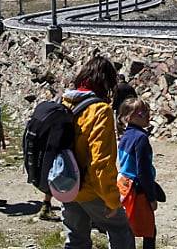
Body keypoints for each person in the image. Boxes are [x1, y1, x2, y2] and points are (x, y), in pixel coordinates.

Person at [61, 56, 135, 249]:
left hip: (66, 186)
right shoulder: (100, 111)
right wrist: (112, 200)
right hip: (90, 189)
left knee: (76, 240)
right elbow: (100, 162)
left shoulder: (65, 102)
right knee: (120, 229)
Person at [116, 98, 159, 249]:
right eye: (141, 113)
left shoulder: (125, 136)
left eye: (147, 111)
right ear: (128, 117)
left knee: (129, 227)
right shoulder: (141, 138)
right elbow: (143, 171)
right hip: (138, 189)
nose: (147, 115)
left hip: (124, 185)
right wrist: (152, 197)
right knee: (149, 231)